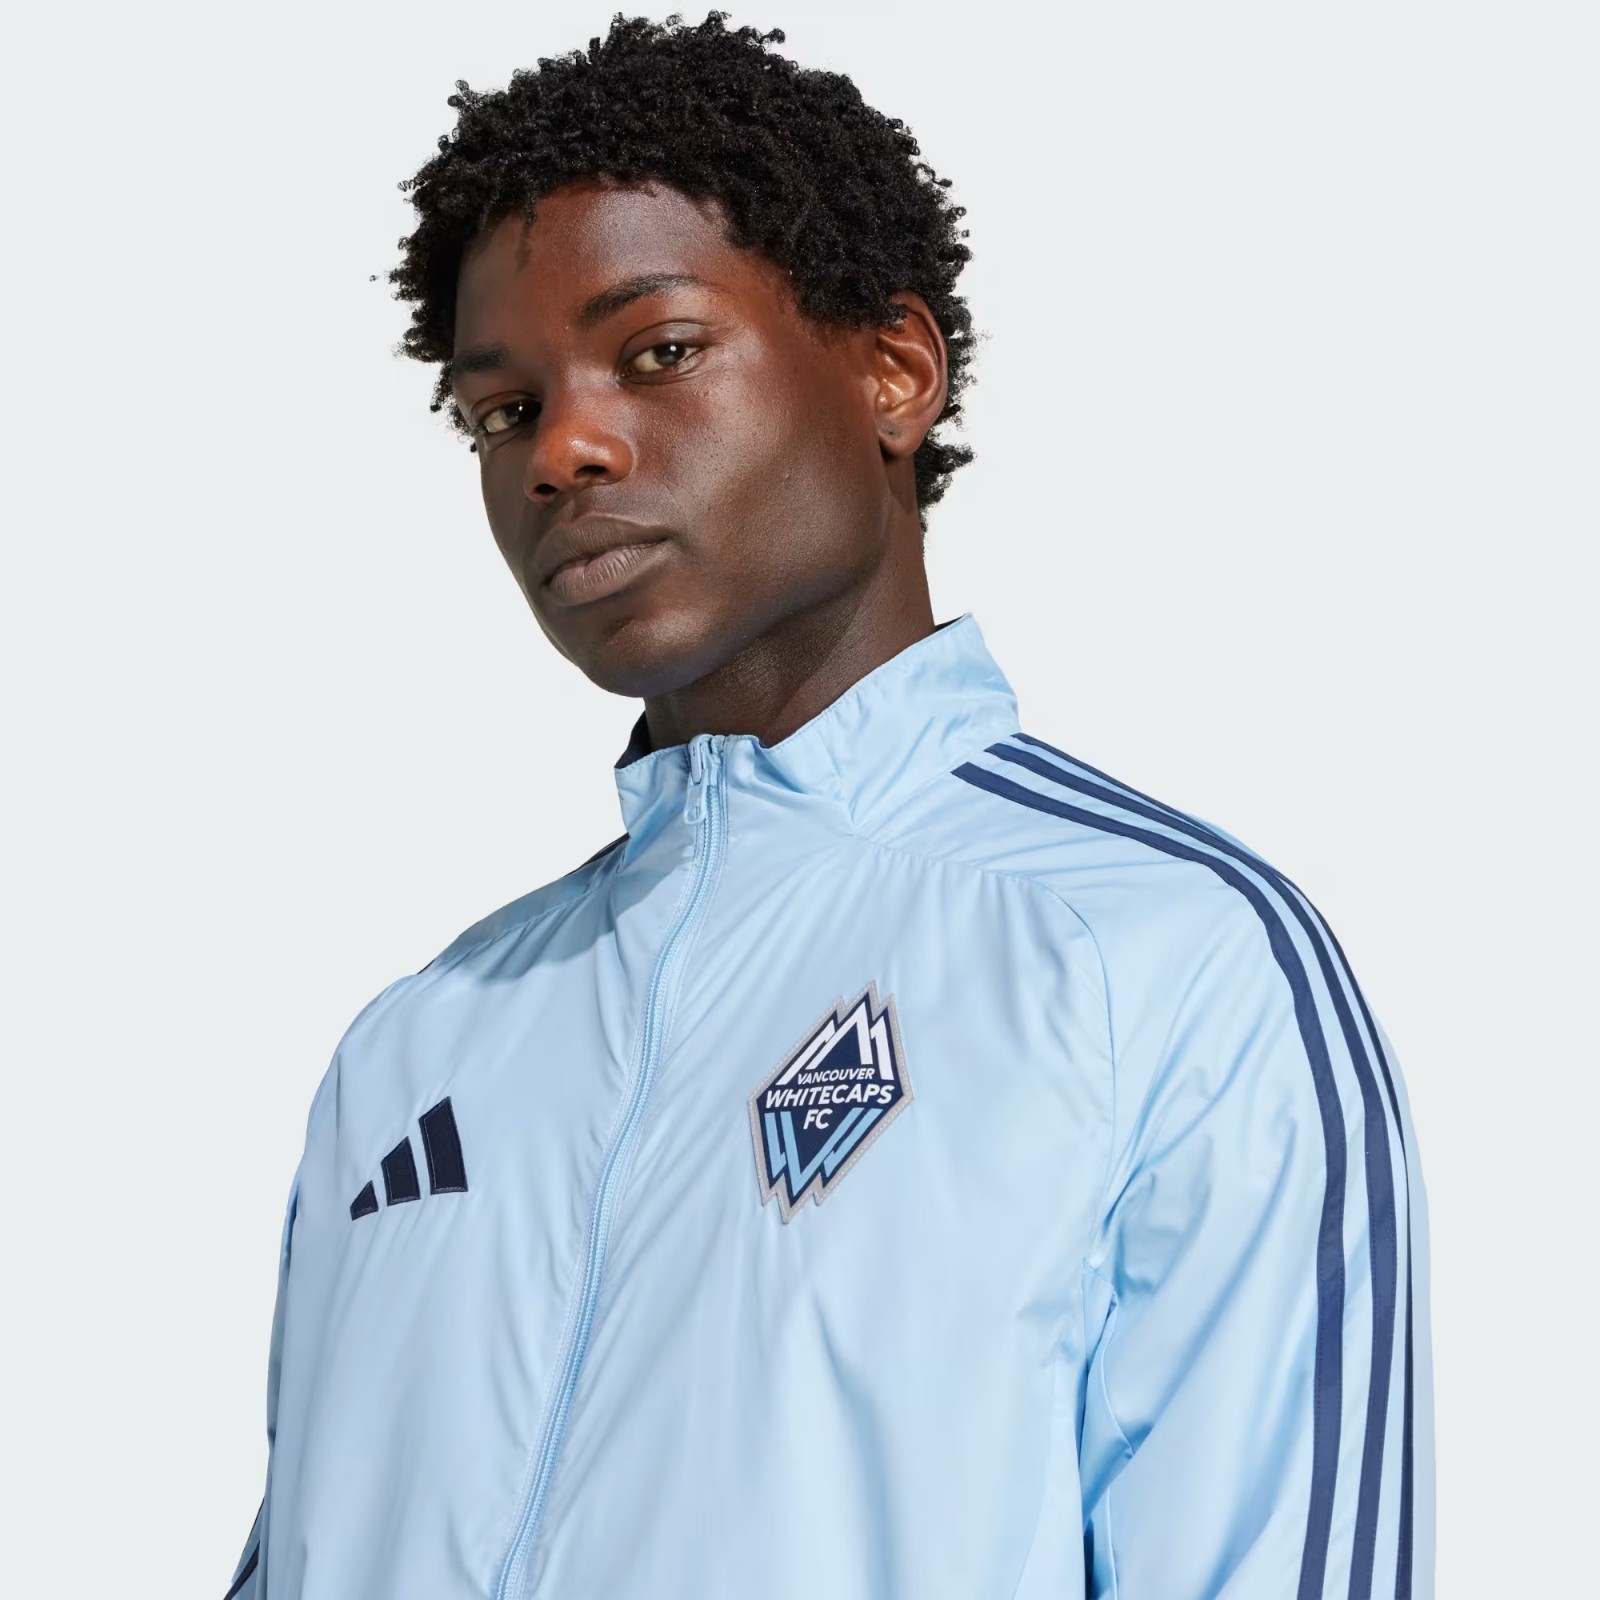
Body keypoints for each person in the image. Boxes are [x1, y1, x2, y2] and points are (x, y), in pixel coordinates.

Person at [223, 13, 1433, 1598]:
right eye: (502, 412)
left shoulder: (1161, 963)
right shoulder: (420, 1049)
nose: (563, 450)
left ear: (894, 373)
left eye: (659, 351)